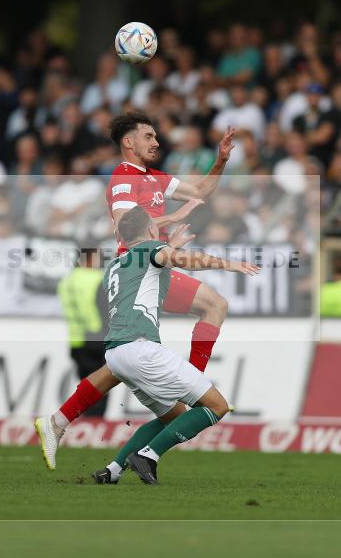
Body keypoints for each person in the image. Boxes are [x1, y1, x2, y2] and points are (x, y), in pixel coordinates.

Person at [35, 112, 236, 470]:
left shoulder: (153, 178)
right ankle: (193, 382)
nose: (156, 142)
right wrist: (171, 220)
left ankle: (59, 423)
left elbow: (202, 190)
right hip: (141, 265)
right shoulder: (124, 177)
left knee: (120, 359)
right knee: (214, 304)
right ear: (129, 142)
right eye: (148, 136)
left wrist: (219, 160)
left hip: (146, 268)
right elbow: (128, 226)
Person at [89, 207, 259, 484]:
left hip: (116, 355)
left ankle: (113, 471)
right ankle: (149, 456)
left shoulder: (115, 265)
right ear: (150, 230)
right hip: (140, 348)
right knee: (217, 406)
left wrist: (168, 248)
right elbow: (185, 260)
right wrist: (229, 264)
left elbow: (151, 271)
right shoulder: (151, 249)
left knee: (174, 415)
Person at [56, 248, 109, 417]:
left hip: (76, 341)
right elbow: (106, 310)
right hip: (97, 339)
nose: (100, 263)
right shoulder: (96, 279)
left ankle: (87, 420)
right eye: (97, 259)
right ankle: (95, 425)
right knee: (101, 387)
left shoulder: (66, 281)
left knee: (86, 387)